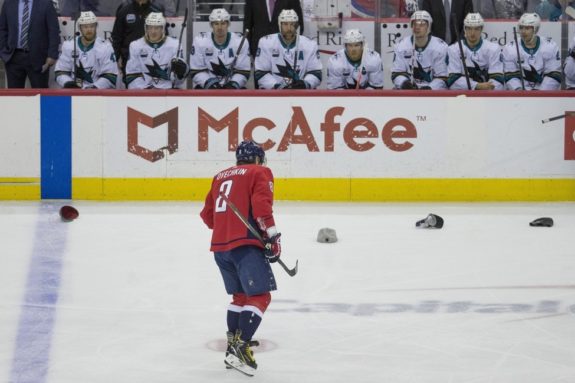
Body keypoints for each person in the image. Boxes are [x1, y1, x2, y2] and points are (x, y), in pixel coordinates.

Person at [199, 140, 282, 377]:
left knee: (240, 296)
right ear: (257, 159)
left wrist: (225, 227)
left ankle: (232, 344)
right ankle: (241, 346)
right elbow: (261, 207)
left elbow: (208, 215)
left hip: (220, 248)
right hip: (245, 246)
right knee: (260, 296)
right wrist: (272, 237)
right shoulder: (260, 171)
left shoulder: (220, 176)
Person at [255, 9, 322, 89]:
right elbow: (261, 73)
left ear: (297, 25)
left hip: (301, 94)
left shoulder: (309, 44)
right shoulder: (266, 42)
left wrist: (305, 83)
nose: (289, 28)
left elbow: (316, 72)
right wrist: (276, 86)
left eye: (292, 24)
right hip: (273, 95)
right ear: (280, 24)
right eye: (285, 24)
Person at [0, 0, 60, 88]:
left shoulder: (46, 3)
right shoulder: (8, 3)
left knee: (40, 95)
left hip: (39, 58)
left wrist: (52, 55)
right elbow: (2, 29)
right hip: (13, 57)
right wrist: (3, 50)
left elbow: (53, 31)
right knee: (14, 97)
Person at [189, 8, 251, 89]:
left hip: (231, 87)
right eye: (216, 24)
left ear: (228, 24)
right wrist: (209, 83)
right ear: (211, 25)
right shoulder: (199, 41)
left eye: (223, 23)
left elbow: (243, 71)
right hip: (208, 88)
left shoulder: (240, 41)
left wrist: (234, 83)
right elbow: (196, 70)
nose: (220, 27)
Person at [124, 12, 188, 89]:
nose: (153, 31)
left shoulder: (175, 45)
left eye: (157, 28)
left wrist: (180, 74)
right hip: (144, 94)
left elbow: (178, 82)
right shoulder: (135, 46)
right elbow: (131, 76)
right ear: (146, 28)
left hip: (168, 93)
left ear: (163, 29)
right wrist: (147, 91)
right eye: (150, 28)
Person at [54, 11, 118, 89]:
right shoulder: (69, 45)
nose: (89, 30)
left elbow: (110, 75)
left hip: (97, 94)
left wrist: (95, 87)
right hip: (73, 92)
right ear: (80, 28)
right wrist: (68, 83)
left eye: (92, 26)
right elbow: (60, 71)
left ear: (96, 26)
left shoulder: (106, 47)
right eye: (85, 27)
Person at [502, 13, 561, 90]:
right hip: (520, 96)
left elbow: (554, 74)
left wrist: (541, 95)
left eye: (527, 28)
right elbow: (510, 76)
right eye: (521, 28)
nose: (523, 31)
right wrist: (519, 90)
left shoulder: (550, 46)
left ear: (535, 29)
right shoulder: (510, 48)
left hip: (544, 96)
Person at [391, 10, 448, 90]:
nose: (417, 27)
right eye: (414, 24)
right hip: (408, 93)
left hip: (433, 95)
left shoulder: (440, 47)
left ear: (429, 26)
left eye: (422, 24)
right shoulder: (401, 45)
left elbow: (443, 77)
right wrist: (404, 83)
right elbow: (396, 73)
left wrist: (430, 88)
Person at [447, 13, 504, 90]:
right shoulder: (454, 49)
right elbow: (452, 81)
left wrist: (488, 88)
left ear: (481, 29)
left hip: (488, 96)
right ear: (464, 29)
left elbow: (498, 79)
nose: (472, 33)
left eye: (476, 29)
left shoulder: (493, 49)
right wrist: (477, 86)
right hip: (463, 97)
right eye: (469, 28)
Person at [111, 0, 165, 76]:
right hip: (129, 61)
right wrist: (112, 63)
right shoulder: (124, 11)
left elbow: (164, 37)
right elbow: (116, 38)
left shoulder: (156, 11)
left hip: (152, 61)